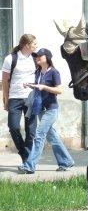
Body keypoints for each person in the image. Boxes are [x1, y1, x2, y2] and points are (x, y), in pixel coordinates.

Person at [18, 48, 74, 174]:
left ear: (47, 58)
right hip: (41, 109)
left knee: (39, 135)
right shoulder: (38, 72)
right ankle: (66, 161)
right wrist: (31, 84)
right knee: (53, 138)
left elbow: (59, 90)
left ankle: (29, 166)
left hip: (51, 110)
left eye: (39, 56)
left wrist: (44, 87)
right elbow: (39, 86)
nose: (37, 57)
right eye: (36, 56)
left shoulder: (54, 72)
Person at [2, 33, 38, 163]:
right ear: (26, 45)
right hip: (15, 98)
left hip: (31, 98)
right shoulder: (10, 59)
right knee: (13, 127)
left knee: (31, 131)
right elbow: (5, 82)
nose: (36, 46)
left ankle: (27, 160)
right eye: (34, 43)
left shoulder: (36, 58)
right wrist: (5, 99)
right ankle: (24, 153)